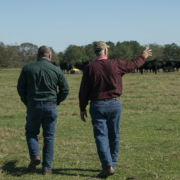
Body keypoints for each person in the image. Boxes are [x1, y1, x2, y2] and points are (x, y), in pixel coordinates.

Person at [79, 41, 152, 178]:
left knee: (101, 136)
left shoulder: (89, 68)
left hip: (97, 105)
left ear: (95, 52)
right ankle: (113, 163)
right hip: (114, 103)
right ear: (106, 51)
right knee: (114, 135)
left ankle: (107, 165)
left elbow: (83, 90)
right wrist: (143, 56)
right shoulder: (116, 64)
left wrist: (82, 107)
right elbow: (133, 65)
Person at [17, 45, 69, 175]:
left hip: (33, 104)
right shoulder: (56, 70)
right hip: (50, 105)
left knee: (31, 133)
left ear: (37, 55)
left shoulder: (27, 68)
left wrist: (26, 101)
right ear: (49, 56)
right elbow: (65, 89)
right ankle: (47, 168)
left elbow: (20, 88)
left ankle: (35, 155)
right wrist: (56, 101)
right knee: (49, 137)